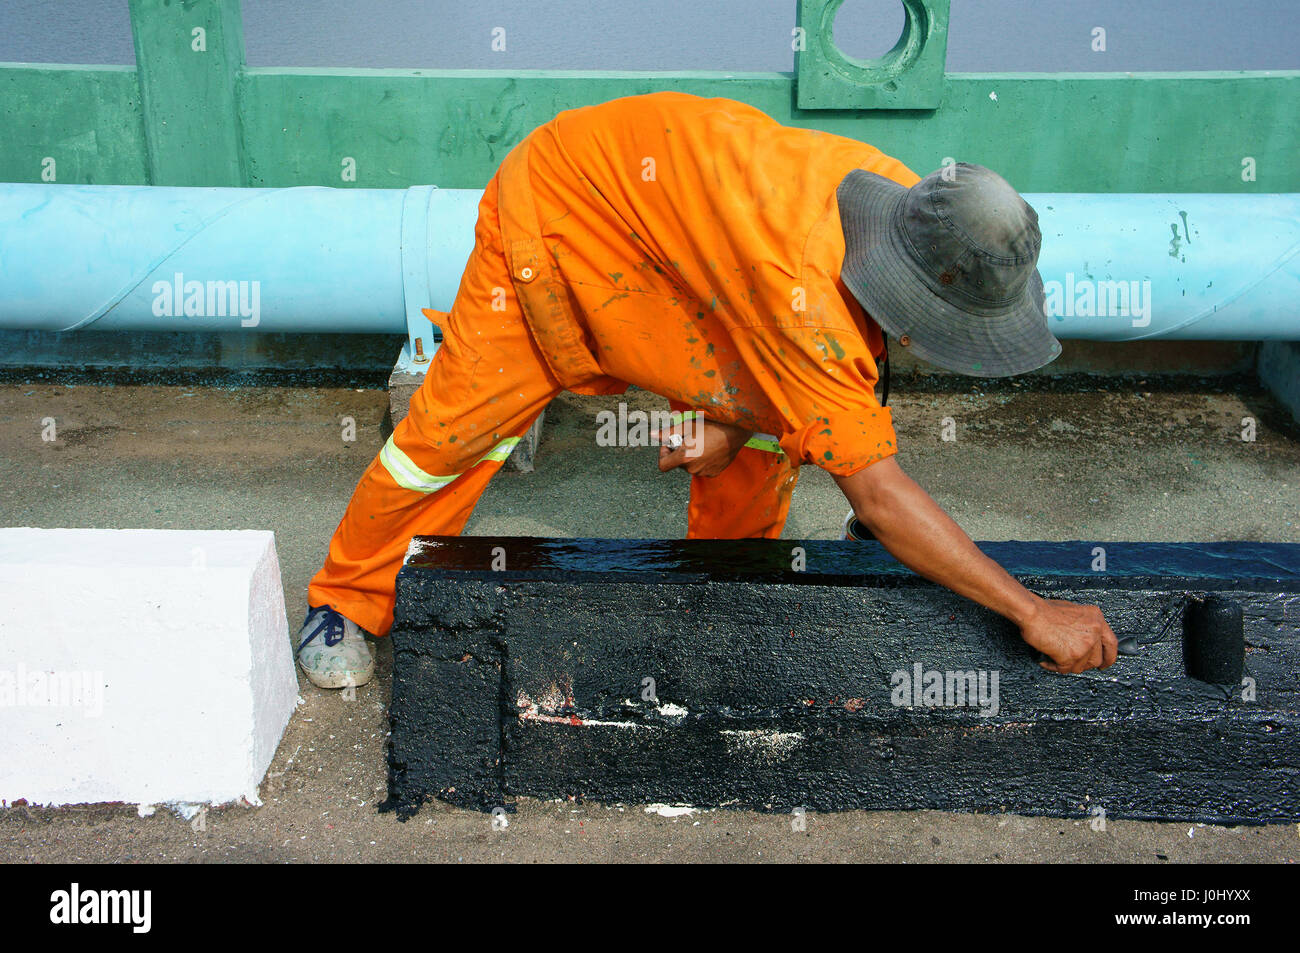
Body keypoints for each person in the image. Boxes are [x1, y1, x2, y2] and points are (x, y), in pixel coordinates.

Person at [295, 92, 1117, 690]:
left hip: (683, 262)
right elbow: (878, 481)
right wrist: (1028, 610)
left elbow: (842, 379)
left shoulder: (910, 202)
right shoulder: (812, 296)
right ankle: (345, 597)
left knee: (767, 441)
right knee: (448, 441)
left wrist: (738, 421)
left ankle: (717, 596)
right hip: (554, 220)